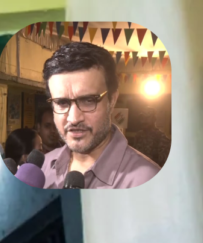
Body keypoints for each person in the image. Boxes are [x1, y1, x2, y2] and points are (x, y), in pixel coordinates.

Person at [38, 42, 160, 188]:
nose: (74, 118)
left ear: (112, 99)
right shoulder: (41, 168)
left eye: (88, 100)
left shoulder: (147, 180)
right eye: (62, 103)